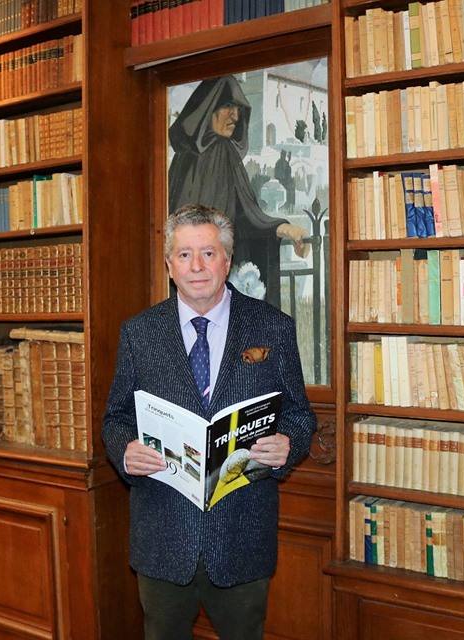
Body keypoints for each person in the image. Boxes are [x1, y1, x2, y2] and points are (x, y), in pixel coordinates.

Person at [102, 204, 316, 640]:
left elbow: (299, 414)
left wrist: (288, 444)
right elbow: (116, 417)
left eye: (208, 253)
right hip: (163, 537)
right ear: (169, 265)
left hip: (242, 535)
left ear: (227, 260)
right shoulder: (139, 333)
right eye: (184, 255)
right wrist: (125, 451)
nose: (196, 266)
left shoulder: (273, 327)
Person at [168, 75, 309, 307]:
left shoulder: (220, 152)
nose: (235, 116)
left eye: (237, 108)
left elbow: (245, 214)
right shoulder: (188, 157)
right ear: (207, 108)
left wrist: (284, 228)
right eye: (227, 106)